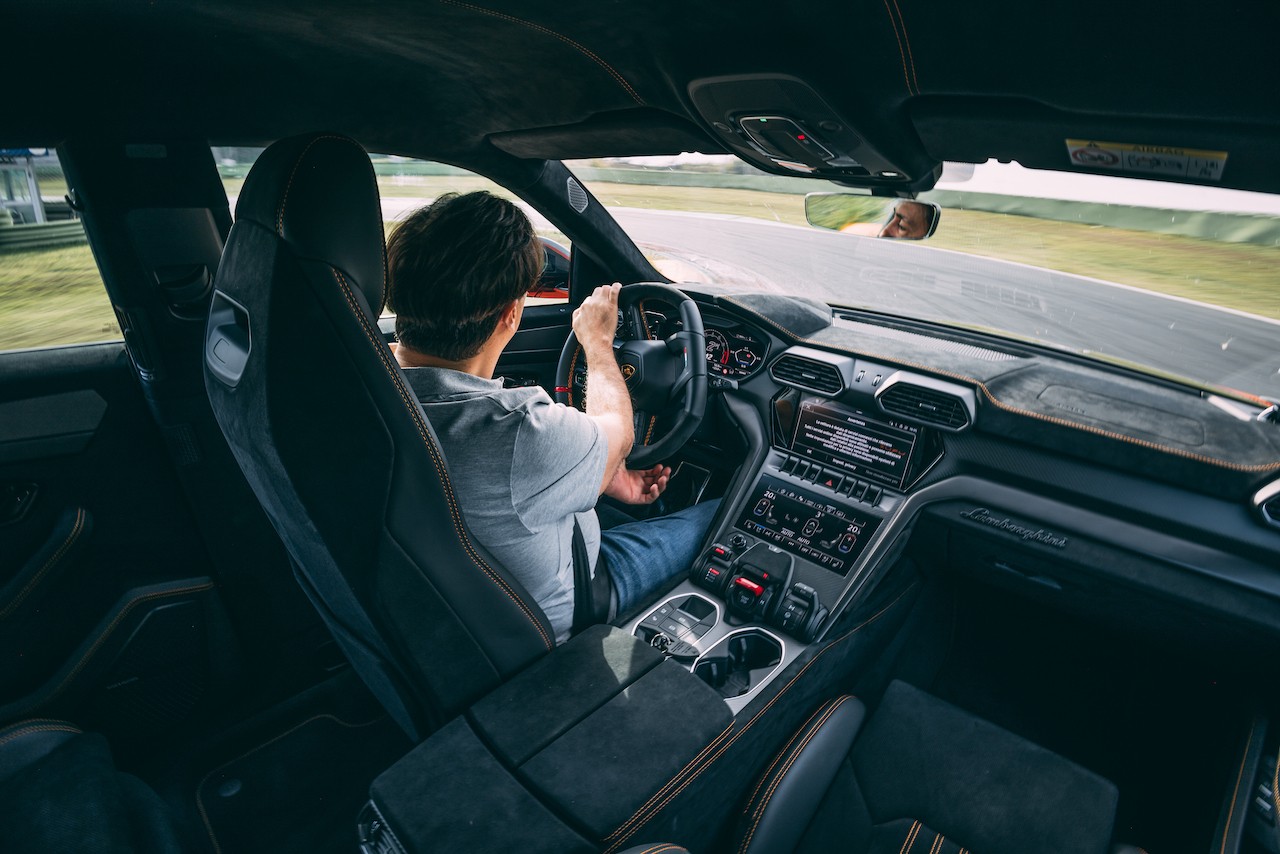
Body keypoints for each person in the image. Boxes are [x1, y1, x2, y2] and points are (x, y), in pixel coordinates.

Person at [387, 191, 718, 642]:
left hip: (440, 607)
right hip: (573, 602)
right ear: (511, 313)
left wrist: (596, 474)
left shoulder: (361, 382)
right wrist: (598, 342)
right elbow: (619, 436)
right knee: (729, 515)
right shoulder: (519, 429)